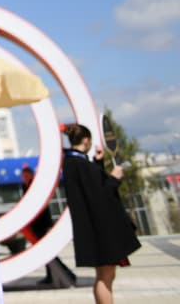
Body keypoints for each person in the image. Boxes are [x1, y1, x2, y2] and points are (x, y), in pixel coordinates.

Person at [61, 123, 140, 304]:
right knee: (106, 276)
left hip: (94, 230)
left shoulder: (73, 162)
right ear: (86, 140)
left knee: (104, 275)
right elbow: (100, 194)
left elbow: (92, 186)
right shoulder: (79, 163)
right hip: (101, 231)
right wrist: (114, 178)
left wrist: (97, 163)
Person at [19, 164, 75, 287]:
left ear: (31, 174)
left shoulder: (34, 186)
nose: (24, 177)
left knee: (47, 251)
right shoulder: (25, 186)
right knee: (45, 252)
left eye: (26, 174)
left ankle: (64, 273)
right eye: (23, 175)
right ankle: (55, 274)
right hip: (33, 224)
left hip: (41, 223)